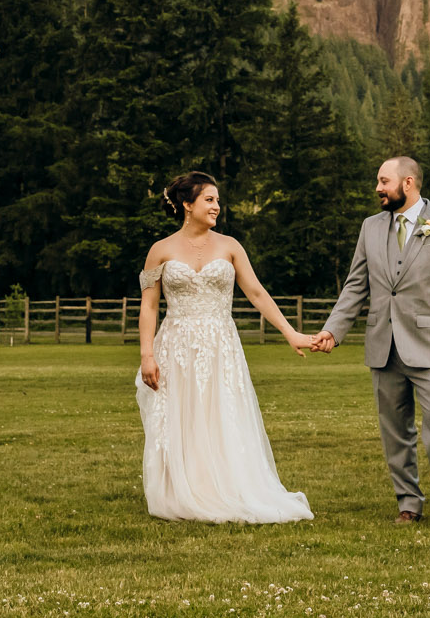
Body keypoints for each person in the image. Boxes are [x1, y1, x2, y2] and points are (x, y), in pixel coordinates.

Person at [134, 170, 316, 522]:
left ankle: (226, 486)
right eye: (209, 199)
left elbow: (257, 294)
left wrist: (291, 333)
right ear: (187, 204)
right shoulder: (160, 251)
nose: (217, 206)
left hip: (221, 345)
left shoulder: (230, 246)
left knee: (220, 413)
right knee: (184, 416)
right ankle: (186, 490)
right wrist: (147, 355)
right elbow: (149, 306)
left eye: (217, 200)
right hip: (176, 346)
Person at [311, 156, 430, 526]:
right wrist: (333, 330)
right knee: (394, 430)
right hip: (383, 345)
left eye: (383, 181)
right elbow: (356, 285)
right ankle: (408, 503)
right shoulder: (370, 227)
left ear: (408, 183)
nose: (377, 188)